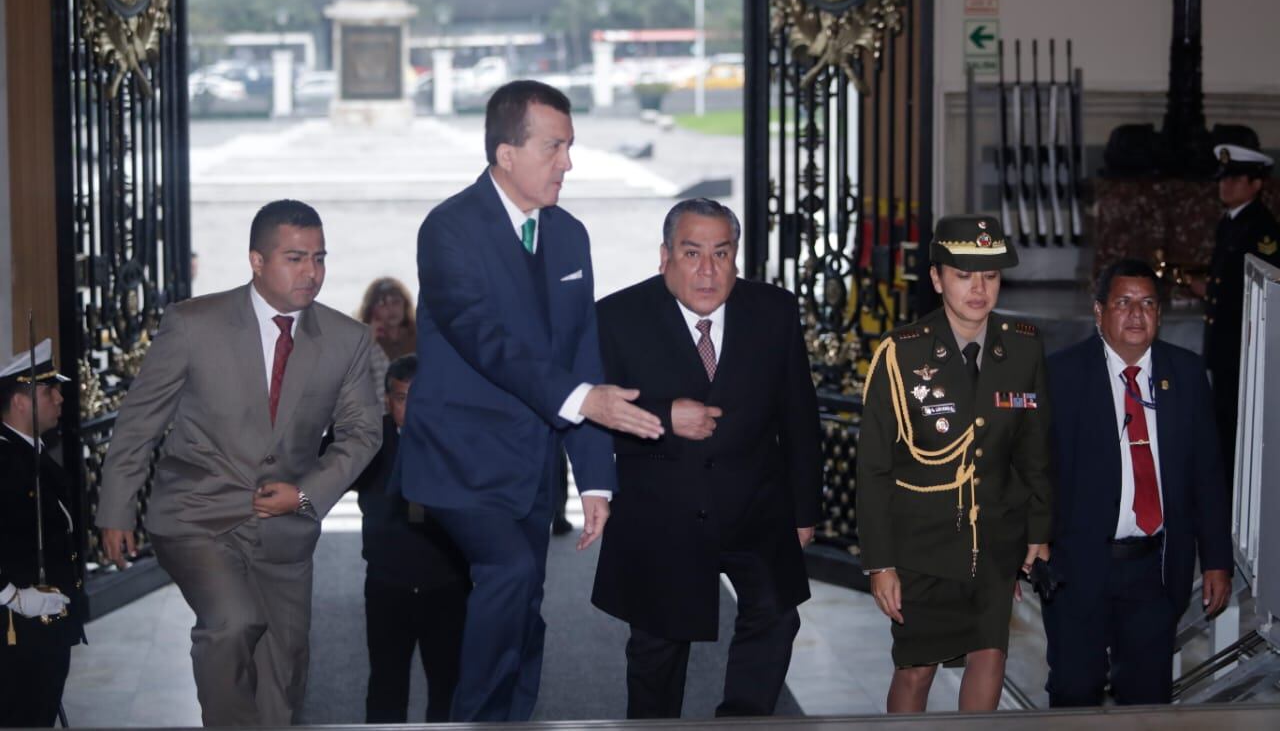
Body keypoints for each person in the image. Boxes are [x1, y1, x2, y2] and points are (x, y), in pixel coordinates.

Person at [396, 79, 662, 722]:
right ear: (506, 153)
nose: (568, 162)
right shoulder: (449, 229)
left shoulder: (570, 236)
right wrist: (583, 400)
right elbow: (483, 339)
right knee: (511, 574)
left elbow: (580, 358)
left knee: (525, 615)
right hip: (458, 465)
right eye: (555, 147)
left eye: (569, 146)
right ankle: (475, 722)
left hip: (530, 469)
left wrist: (595, 480)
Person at [96, 199, 383, 726]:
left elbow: (364, 433)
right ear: (256, 260)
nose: (312, 272)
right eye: (295, 258)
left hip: (285, 530)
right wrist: (116, 507)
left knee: (284, 676)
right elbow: (140, 421)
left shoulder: (348, 340)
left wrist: (305, 493)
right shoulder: (191, 324)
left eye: (320, 258)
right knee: (231, 621)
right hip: (196, 516)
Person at [591, 198, 823, 719]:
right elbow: (590, 415)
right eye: (692, 253)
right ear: (665, 256)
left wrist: (804, 509)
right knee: (658, 649)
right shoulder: (615, 318)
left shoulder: (775, 312)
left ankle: (739, 723)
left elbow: (799, 416)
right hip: (661, 512)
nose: (707, 270)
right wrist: (662, 416)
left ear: (736, 257)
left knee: (776, 617)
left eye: (721, 254)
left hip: (755, 507)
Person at [856, 214, 1052, 713]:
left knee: (990, 657)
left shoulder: (1023, 347)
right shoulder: (902, 354)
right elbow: (874, 470)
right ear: (938, 278)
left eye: (989, 276)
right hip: (923, 545)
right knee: (916, 671)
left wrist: (1037, 530)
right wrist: (880, 564)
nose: (978, 289)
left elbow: (1034, 448)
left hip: (994, 537)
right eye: (964, 275)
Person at [1043, 258, 1232, 706]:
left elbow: (1207, 474)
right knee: (1075, 690)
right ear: (1098, 311)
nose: (1135, 314)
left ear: (1159, 314)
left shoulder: (1185, 375)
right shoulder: (1061, 375)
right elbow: (1036, 470)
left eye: (1147, 303)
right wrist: (1027, 544)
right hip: (1078, 566)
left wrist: (1216, 560)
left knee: (1146, 699)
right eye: (1123, 303)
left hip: (1155, 567)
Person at [353, 353, 468, 723]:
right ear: (388, 400)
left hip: (448, 584)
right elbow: (320, 472)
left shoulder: (459, 439)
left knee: (448, 685)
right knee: (386, 684)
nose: (412, 409)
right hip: (388, 584)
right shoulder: (371, 439)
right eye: (402, 399)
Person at [0, 341, 83, 728]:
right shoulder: (4, 459)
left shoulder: (31, 453)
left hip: (47, 628)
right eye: (50, 391)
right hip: (16, 630)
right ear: (20, 401)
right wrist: (11, 596)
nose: (60, 398)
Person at [1190, 145, 1279, 487]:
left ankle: (1231, 491)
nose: (1225, 186)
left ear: (1256, 184)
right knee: (1224, 419)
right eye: (1223, 179)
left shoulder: (1261, 229)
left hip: (1245, 343)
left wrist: (1209, 291)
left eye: (1235, 179)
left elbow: (1263, 284)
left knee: (1235, 422)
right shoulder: (1231, 222)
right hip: (1228, 344)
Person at [355, 277, 417, 403]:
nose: (391, 309)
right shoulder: (365, 341)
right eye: (383, 303)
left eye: (396, 302)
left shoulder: (420, 337)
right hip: (381, 415)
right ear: (372, 309)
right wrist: (368, 340)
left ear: (405, 304)